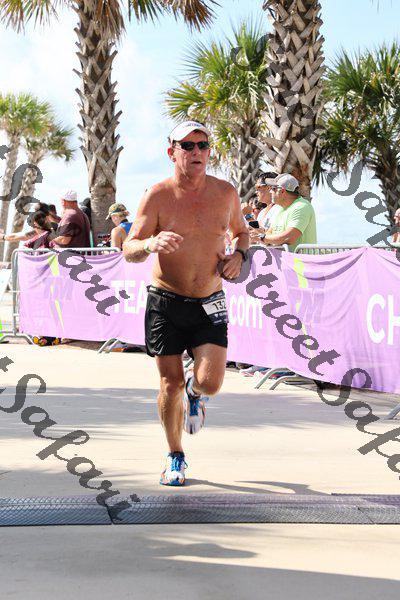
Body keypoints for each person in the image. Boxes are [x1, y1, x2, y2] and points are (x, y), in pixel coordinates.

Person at [123, 120, 249, 486]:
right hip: (165, 301)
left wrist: (239, 255)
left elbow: (242, 232)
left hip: (210, 299)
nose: (197, 152)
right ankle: (175, 455)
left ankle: (196, 395)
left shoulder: (225, 192)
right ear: (172, 152)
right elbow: (129, 248)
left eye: (203, 145)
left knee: (209, 384)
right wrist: (150, 243)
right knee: (170, 383)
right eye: (188, 145)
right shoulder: (157, 195)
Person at [250, 174, 317, 251]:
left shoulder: (301, 206)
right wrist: (263, 237)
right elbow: (268, 234)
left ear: (282, 191)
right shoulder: (280, 209)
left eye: (273, 189)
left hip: (299, 259)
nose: (270, 191)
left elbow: (288, 238)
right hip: (286, 258)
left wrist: (262, 238)